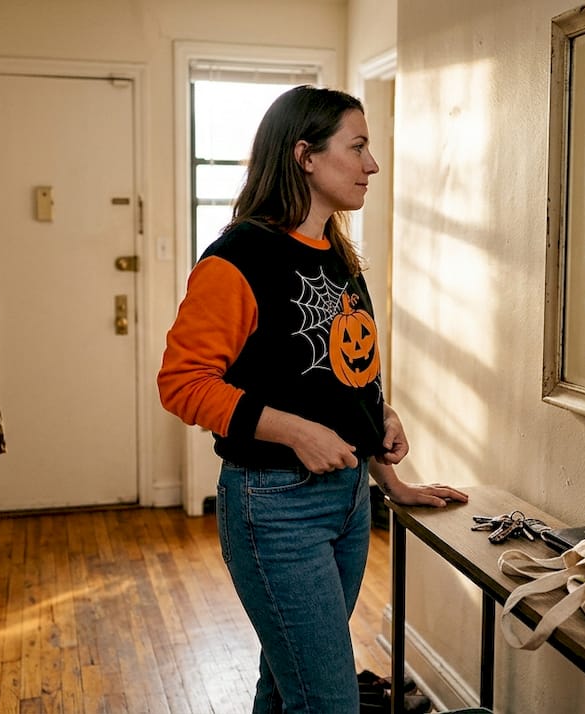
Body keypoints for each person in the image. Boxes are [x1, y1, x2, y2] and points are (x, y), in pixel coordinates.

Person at [157, 85, 469, 714]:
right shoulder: (237, 258)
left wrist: (388, 460)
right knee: (328, 702)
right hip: (276, 509)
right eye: (357, 148)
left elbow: (346, 377)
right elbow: (182, 383)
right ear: (305, 155)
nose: (371, 166)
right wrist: (294, 431)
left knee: (286, 686)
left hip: (351, 503)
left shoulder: (340, 256)